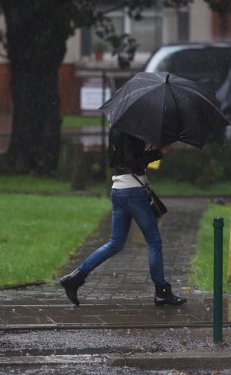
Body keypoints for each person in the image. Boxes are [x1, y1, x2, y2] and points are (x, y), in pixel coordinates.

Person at [59, 128, 187, 307]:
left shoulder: (116, 128)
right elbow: (133, 162)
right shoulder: (132, 129)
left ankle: (75, 278)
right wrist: (158, 152)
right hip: (133, 192)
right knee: (154, 241)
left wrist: (149, 148)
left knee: (116, 243)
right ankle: (161, 291)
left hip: (118, 190)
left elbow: (114, 159)